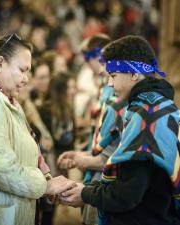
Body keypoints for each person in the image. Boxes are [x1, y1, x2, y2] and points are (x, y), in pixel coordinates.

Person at [0, 33, 76, 225]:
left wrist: (47, 179)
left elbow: (26, 147)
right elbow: (0, 167)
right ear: (0, 63)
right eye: (22, 70)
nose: (26, 78)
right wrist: (44, 186)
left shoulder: (0, 95)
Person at [60, 35, 180, 225]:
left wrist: (85, 193)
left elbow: (126, 195)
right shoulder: (161, 106)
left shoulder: (146, 117)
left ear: (134, 74)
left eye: (113, 75)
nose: (109, 83)